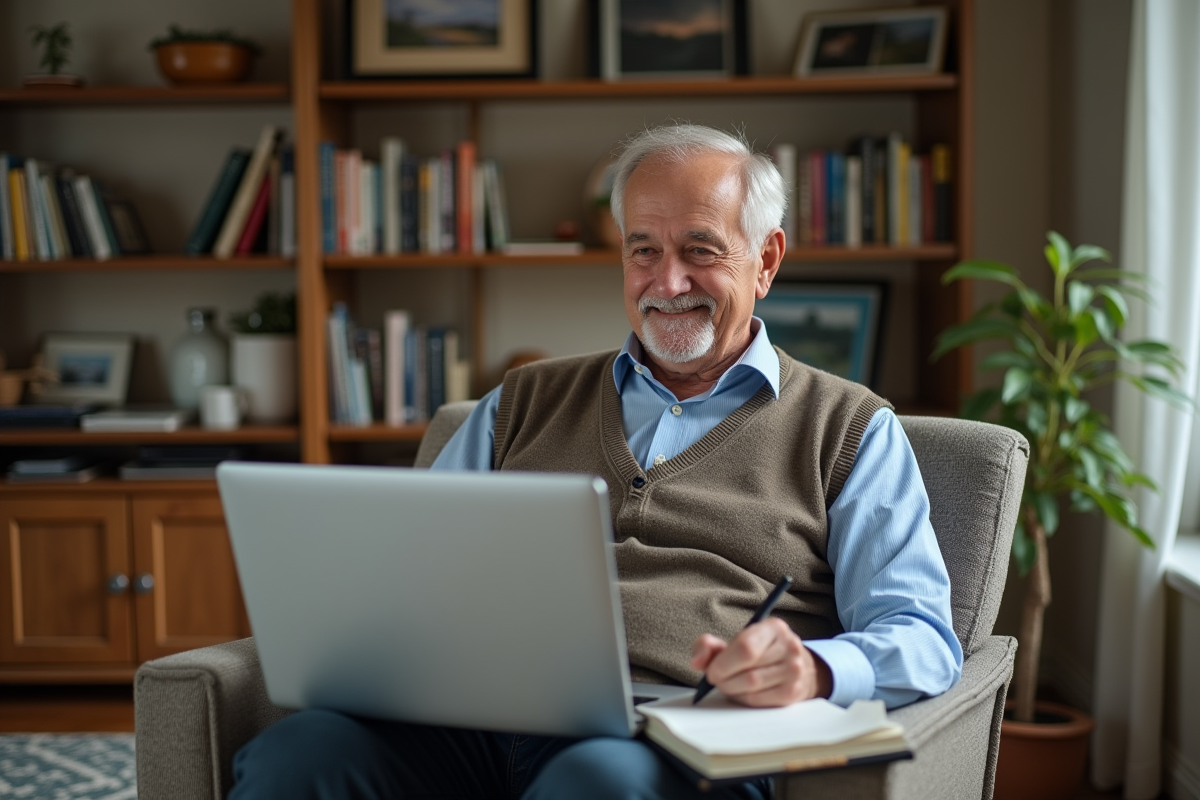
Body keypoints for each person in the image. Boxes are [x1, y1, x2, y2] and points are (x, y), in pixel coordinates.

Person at [229, 123, 962, 800]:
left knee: (593, 784)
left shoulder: (848, 428)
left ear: (765, 259)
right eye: (644, 250)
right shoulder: (520, 403)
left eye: (700, 251)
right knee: (297, 756)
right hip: (479, 718)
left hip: (680, 735)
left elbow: (923, 635)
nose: (666, 283)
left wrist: (816, 668)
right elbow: (408, 574)